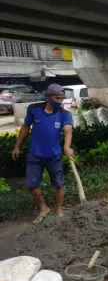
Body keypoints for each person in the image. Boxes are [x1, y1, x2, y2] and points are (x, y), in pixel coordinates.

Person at [11, 84, 73, 224]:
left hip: (54, 156)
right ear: (48, 97)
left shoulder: (64, 114)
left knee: (58, 184)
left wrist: (67, 146)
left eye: (62, 98)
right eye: (57, 98)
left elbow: (68, 130)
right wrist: (17, 146)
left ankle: (59, 210)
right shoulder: (34, 110)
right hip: (35, 155)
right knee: (33, 184)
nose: (60, 101)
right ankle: (44, 208)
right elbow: (25, 127)